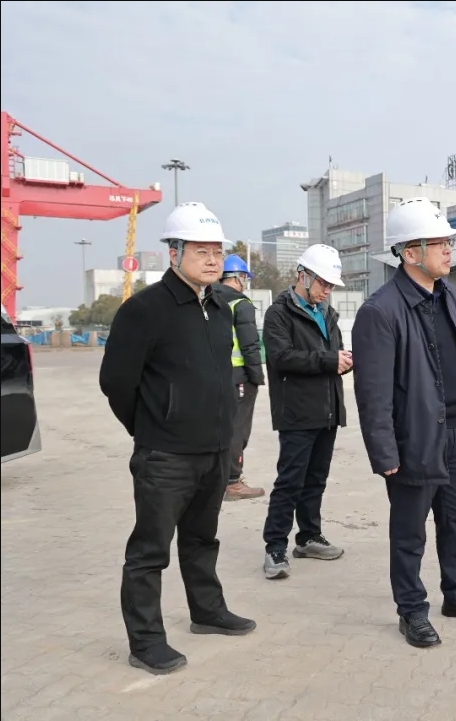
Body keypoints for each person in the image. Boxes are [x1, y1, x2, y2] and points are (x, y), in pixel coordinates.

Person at [100, 201, 256, 676]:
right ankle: (146, 641)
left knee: (202, 539)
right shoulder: (144, 310)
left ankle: (207, 612)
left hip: (214, 450)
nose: (212, 260)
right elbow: (116, 382)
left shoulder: (222, 308)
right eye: (200, 251)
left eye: (217, 252)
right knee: (150, 551)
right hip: (165, 455)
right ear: (174, 253)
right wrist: (151, 427)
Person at [353, 197, 456, 649]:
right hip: (414, 438)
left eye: (448, 242)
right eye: (438, 243)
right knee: (409, 532)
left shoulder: (447, 294)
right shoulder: (380, 311)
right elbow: (373, 394)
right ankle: (412, 610)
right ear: (409, 252)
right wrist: (385, 453)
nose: (448, 249)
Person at [260, 244, 352, 580]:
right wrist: (329, 361)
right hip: (297, 413)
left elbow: (333, 354)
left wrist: (345, 361)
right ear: (303, 275)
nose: (327, 291)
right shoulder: (279, 314)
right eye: (323, 283)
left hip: (327, 411)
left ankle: (309, 536)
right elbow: (281, 357)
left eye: (331, 285)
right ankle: (275, 546)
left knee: (315, 480)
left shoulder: (327, 314)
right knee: (290, 482)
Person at [217, 254, 266, 501]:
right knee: (237, 429)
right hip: (239, 376)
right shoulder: (240, 303)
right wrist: (256, 378)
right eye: (244, 277)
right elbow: (250, 345)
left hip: (214, 374)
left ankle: (216, 480)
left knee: (218, 427)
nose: (245, 282)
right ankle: (232, 482)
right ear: (237, 277)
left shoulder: (206, 299)